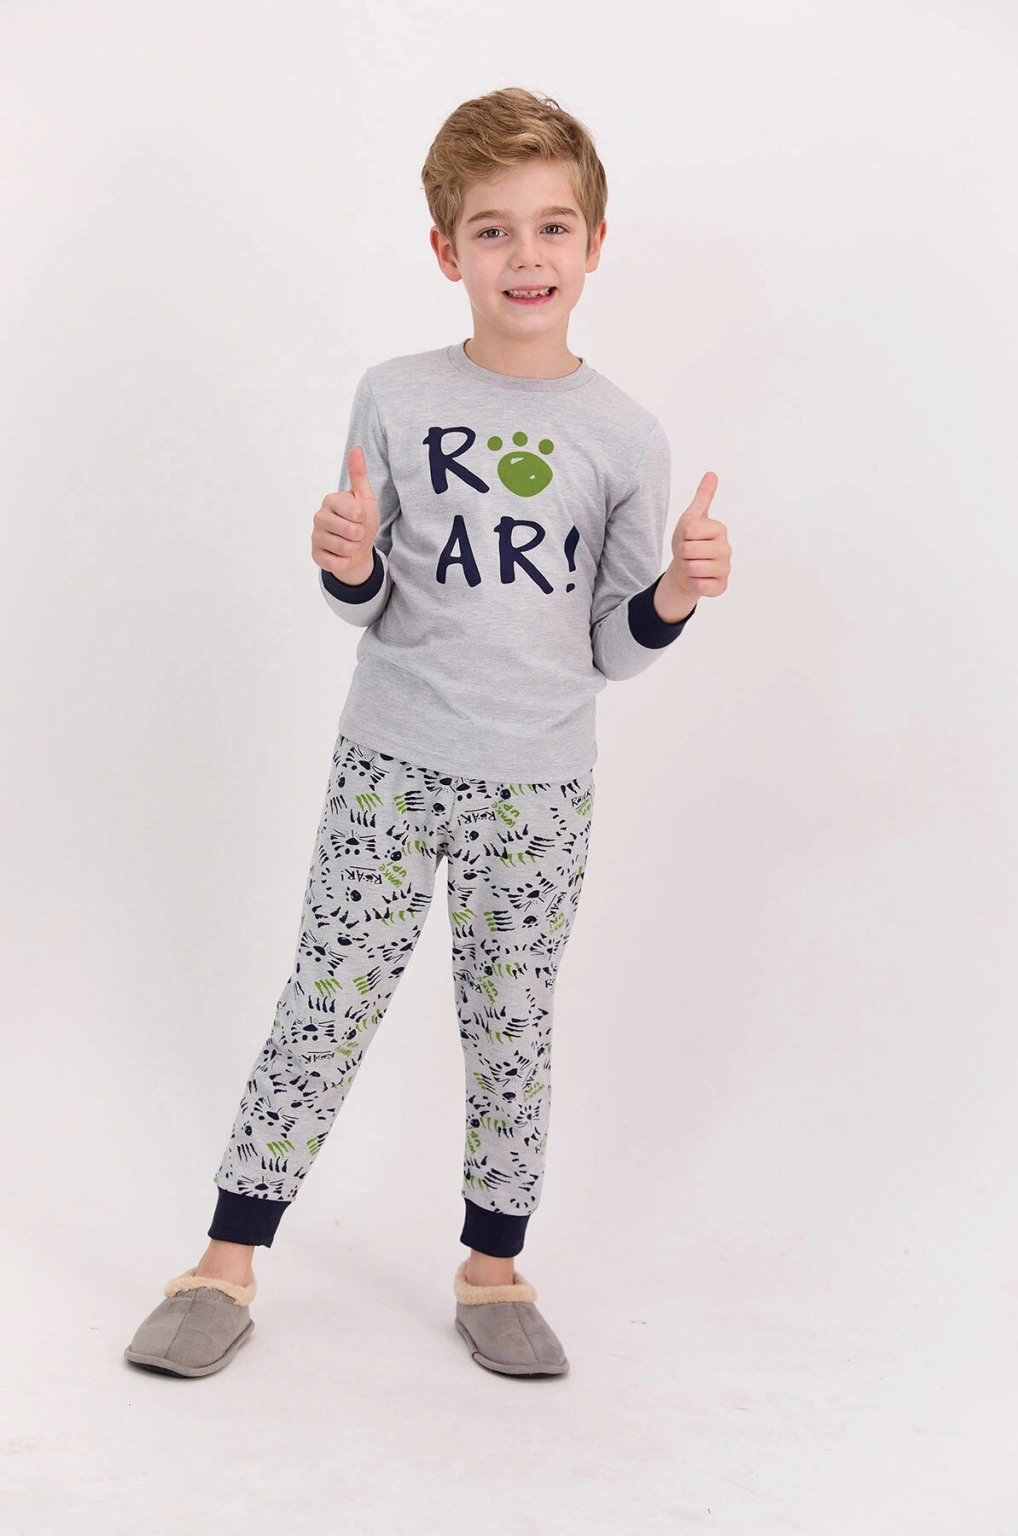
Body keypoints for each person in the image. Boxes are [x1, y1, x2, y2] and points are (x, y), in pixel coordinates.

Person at [124, 85, 732, 1380]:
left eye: (553, 227)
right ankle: (223, 1261)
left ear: (596, 244)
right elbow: (365, 599)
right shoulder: (395, 396)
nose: (527, 256)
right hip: (390, 767)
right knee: (327, 1000)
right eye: (494, 231)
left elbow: (612, 647)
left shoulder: (625, 436)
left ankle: (493, 1268)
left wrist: (674, 594)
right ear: (449, 250)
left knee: (513, 1022)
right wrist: (345, 561)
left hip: (539, 788)